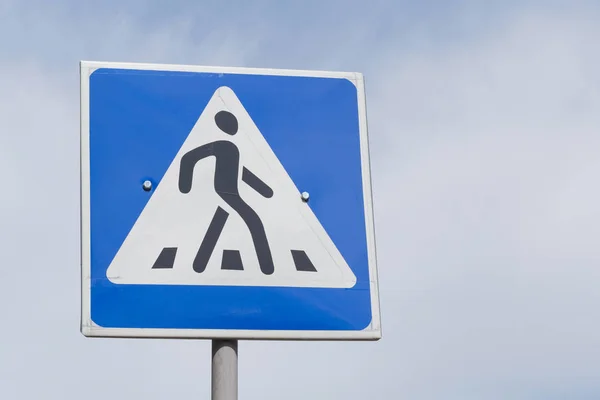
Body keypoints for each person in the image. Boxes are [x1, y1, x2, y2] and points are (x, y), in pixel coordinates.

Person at [178, 110, 275, 275]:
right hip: (223, 193)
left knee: (218, 226)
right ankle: (267, 268)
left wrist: (265, 190)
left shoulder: (232, 148)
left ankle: (198, 266)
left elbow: (241, 172)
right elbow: (189, 158)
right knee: (253, 221)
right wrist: (185, 185)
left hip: (230, 193)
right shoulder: (222, 145)